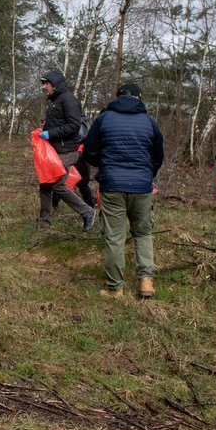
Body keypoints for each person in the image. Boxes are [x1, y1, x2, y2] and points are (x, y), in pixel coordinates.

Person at [82, 83, 164, 299]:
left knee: (114, 237)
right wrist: (146, 173)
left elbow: (89, 152)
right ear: (139, 98)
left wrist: (106, 166)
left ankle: (115, 288)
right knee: (143, 233)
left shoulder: (103, 119)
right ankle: (146, 281)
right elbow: (158, 156)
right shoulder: (149, 122)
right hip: (142, 186)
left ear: (117, 97)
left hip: (112, 186)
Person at [37, 70, 96, 231]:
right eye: (42, 83)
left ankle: (87, 211)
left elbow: (73, 126)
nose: (43, 87)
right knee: (45, 184)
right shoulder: (55, 101)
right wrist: (44, 129)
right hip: (54, 151)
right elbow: (59, 123)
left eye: (45, 83)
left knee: (57, 185)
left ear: (54, 83)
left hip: (66, 151)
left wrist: (50, 133)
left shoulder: (68, 100)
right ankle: (44, 221)